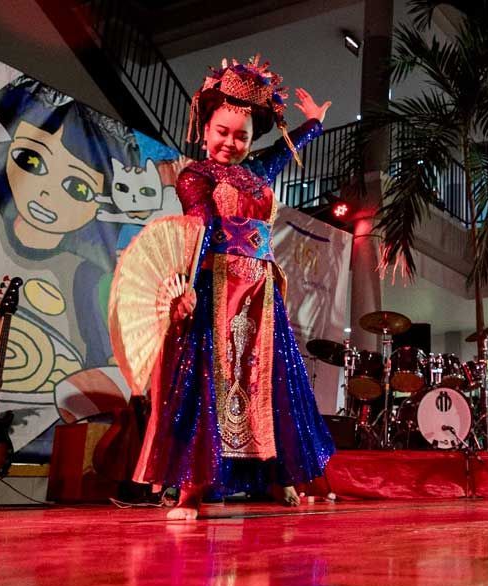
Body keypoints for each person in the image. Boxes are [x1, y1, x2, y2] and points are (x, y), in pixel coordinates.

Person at [125, 56, 335, 519]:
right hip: (215, 285)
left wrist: (314, 124)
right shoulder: (195, 175)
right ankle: (191, 491)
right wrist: (188, 285)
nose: (231, 142)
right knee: (207, 383)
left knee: (270, 383)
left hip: (260, 290)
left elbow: (287, 148)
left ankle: (277, 476)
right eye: (222, 132)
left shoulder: (257, 173)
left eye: (241, 136)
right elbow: (198, 225)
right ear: (205, 129)